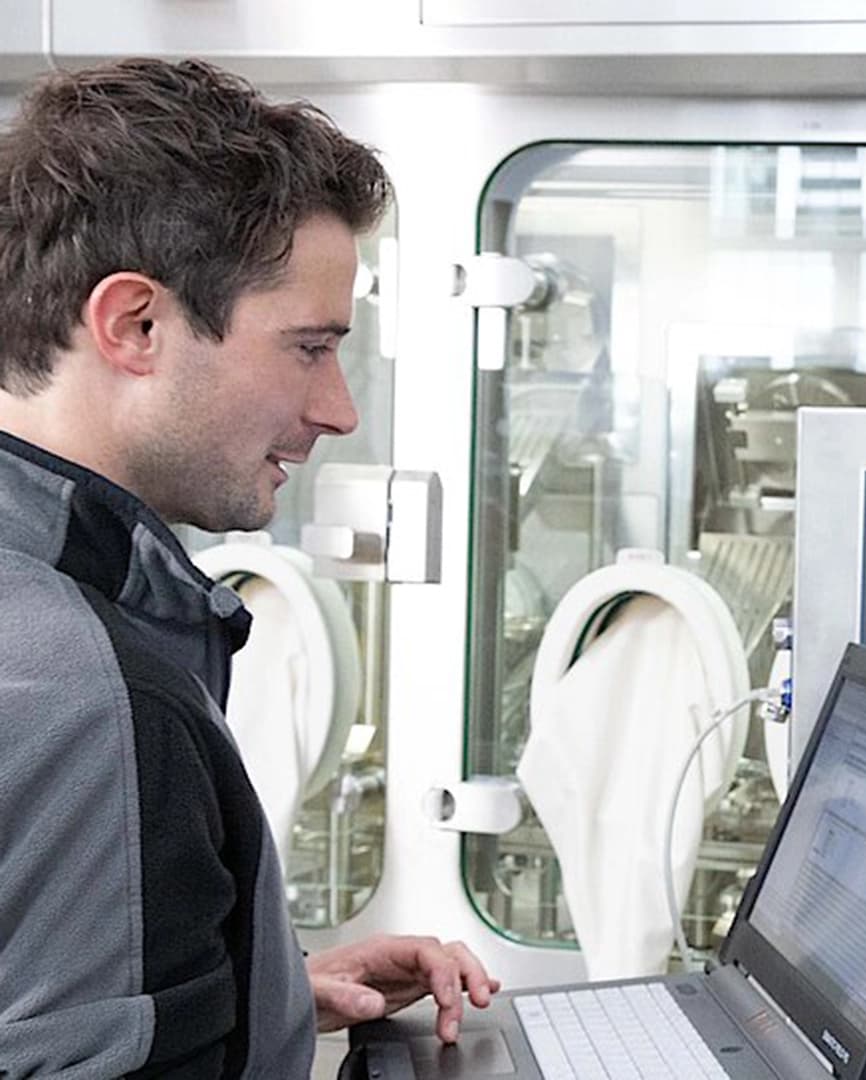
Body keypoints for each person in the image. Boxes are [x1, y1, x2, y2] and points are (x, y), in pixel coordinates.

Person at [0, 59, 497, 1076]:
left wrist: (252, 984)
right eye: (310, 347)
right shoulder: (95, 696)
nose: (340, 410)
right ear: (136, 326)